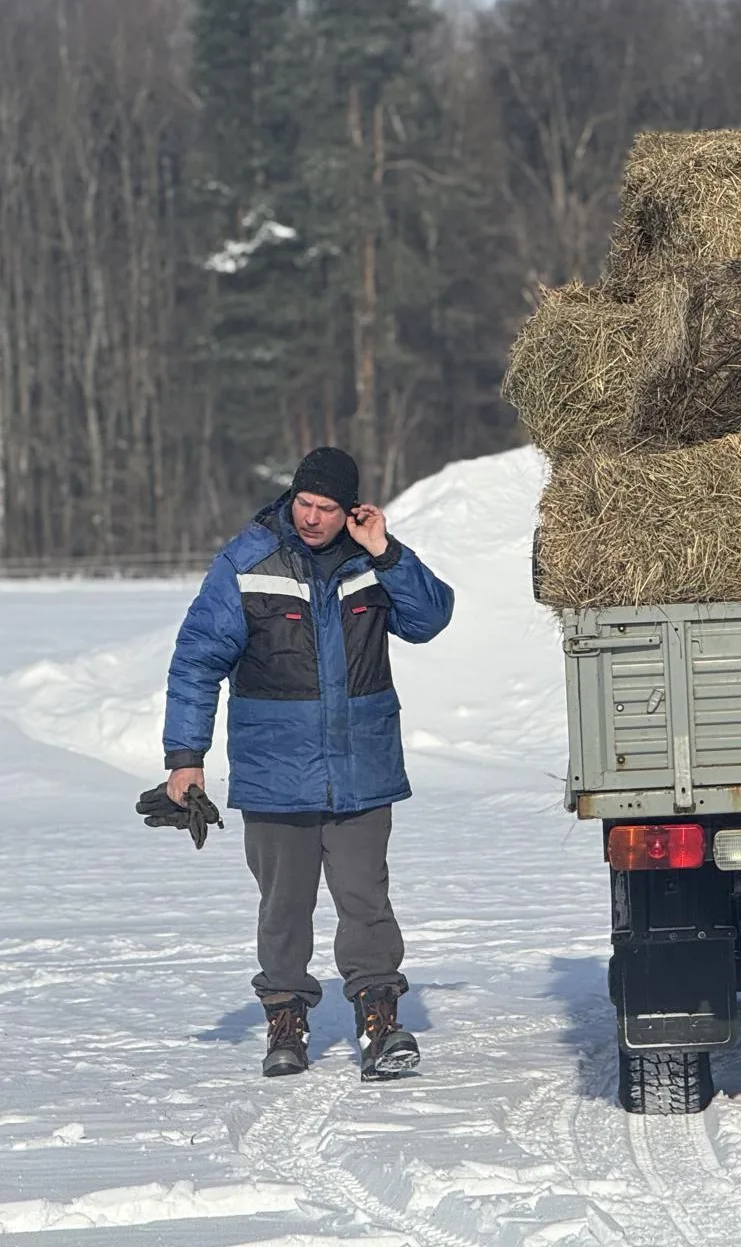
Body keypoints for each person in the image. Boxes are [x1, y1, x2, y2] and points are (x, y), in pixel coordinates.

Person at [162, 447, 455, 1080]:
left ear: (350, 509)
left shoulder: (370, 561)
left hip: (362, 771)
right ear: (291, 499)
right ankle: (286, 1022)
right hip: (274, 775)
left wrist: (387, 551)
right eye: (305, 504)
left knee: (365, 902)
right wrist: (186, 759)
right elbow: (196, 661)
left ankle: (380, 1024)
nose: (313, 518)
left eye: (326, 507)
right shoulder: (247, 562)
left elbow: (430, 619)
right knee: (283, 906)